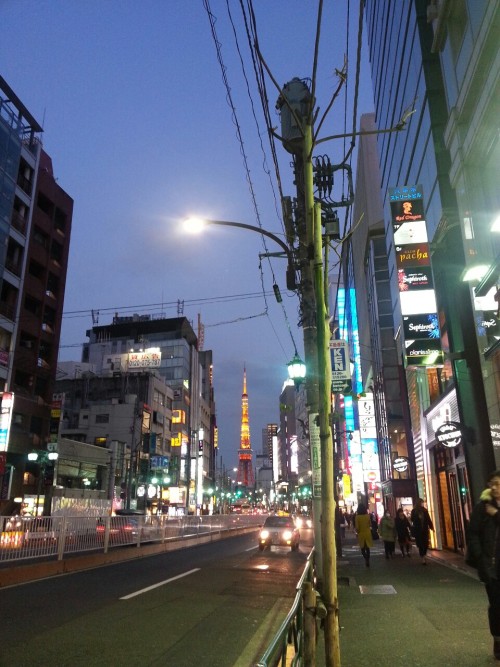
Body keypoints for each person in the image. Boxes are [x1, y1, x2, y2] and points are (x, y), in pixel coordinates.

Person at [467, 470, 500, 660]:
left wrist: (497, 514)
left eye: (498, 483)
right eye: (492, 484)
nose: (494, 487)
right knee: (496, 605)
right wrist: (481, 557)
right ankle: (497, 639)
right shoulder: (482, 507)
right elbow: (473, 533)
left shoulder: (493, 510)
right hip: (492, 567)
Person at [410, 498, 434, 564]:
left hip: (424, 529)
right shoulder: (414, 511)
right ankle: (423, 557)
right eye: (421, 502)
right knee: (420, 544)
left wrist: (431, 527)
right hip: (418, 530)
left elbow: (428, 519)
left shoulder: (425, 511)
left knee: (425, 543)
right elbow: (412, 519)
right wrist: (417, 518)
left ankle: (423, 555)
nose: (422, 504)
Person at [354, 503, 373, 567]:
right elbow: (370, 524)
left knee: (362, 549)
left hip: (361, 534)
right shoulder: (367, 516)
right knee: (368, 548)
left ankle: (366, 559)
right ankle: (368, 559)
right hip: (367, 533)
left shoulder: (357, 517)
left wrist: (357, 532)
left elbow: (357, 527)